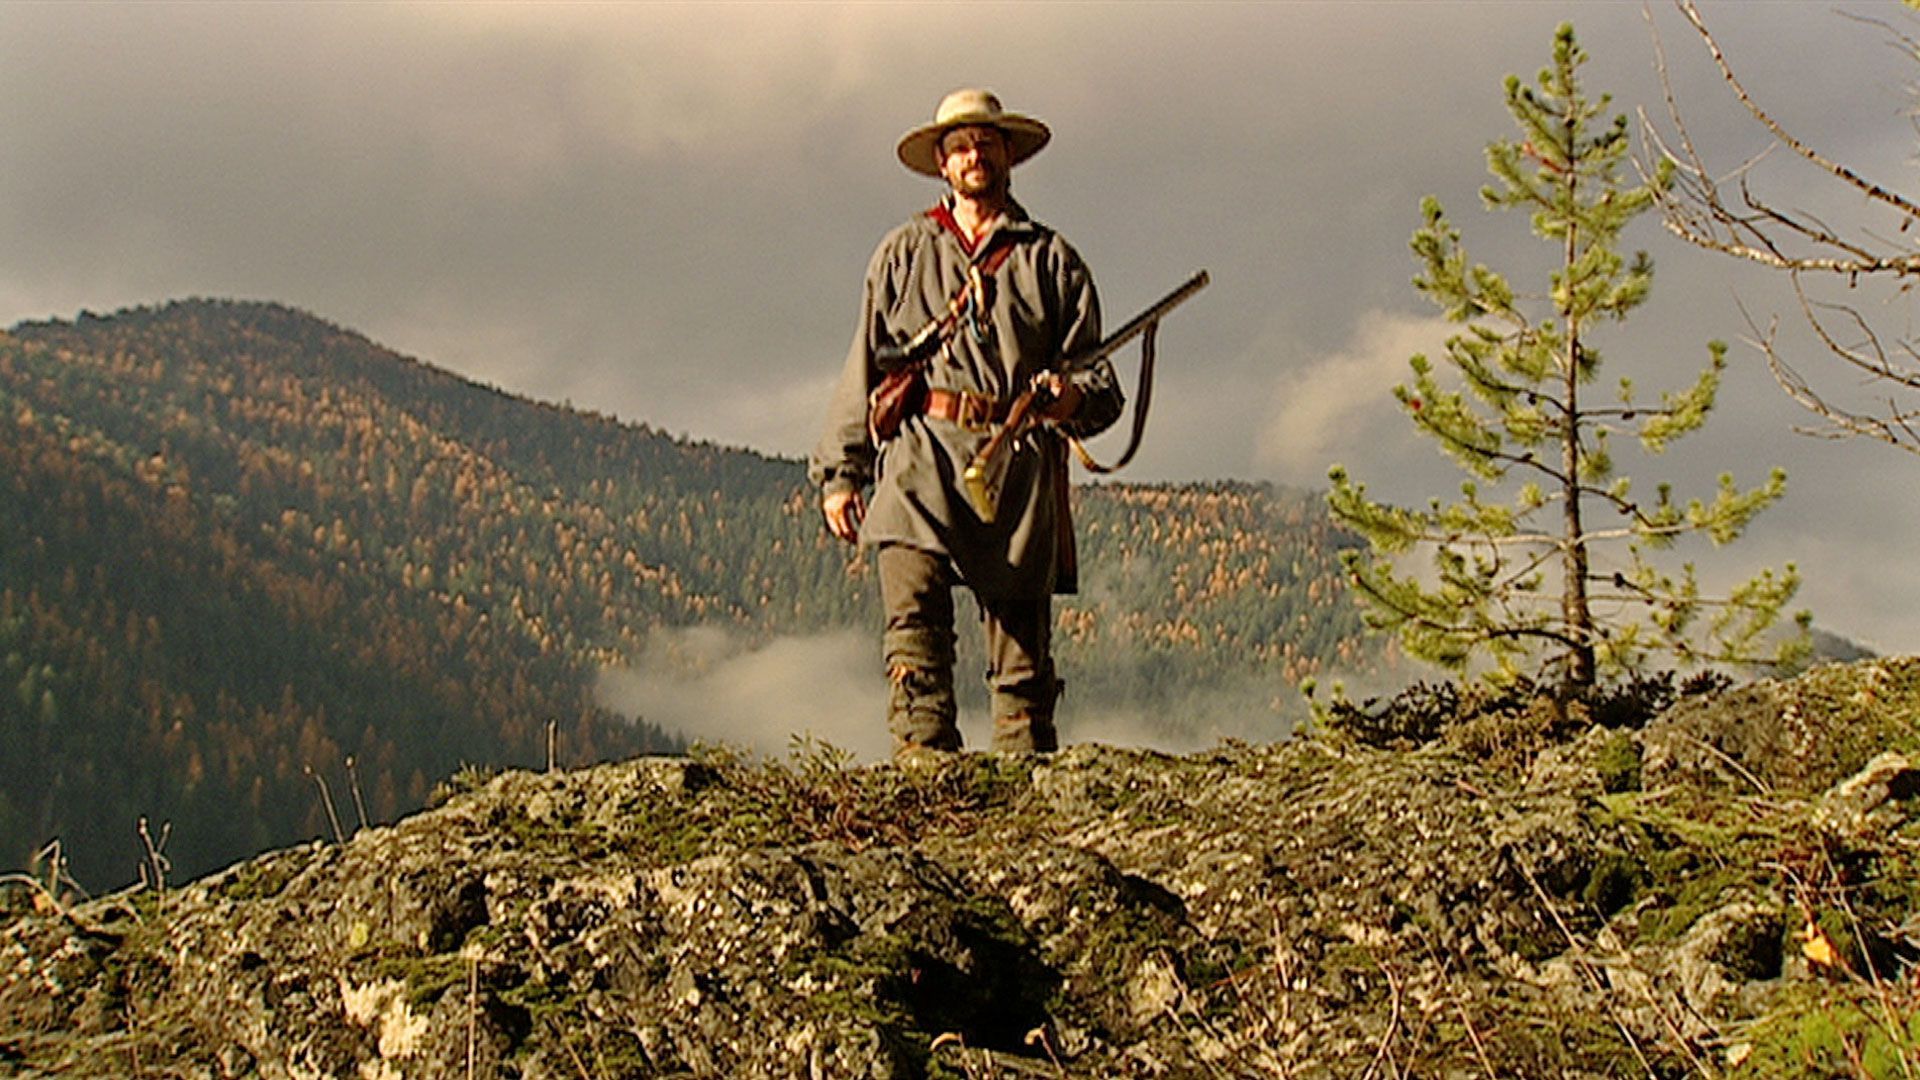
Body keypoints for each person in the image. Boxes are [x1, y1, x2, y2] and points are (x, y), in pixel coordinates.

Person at [808, 88, 1123, 756]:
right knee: (913, 636)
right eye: (959, 146)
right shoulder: (902, 253)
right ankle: (924, 780)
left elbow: (1101, 388)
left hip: (1017, 467)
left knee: (1023, 671)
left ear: (1008, 154)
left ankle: (1023, 802)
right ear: (942, 165)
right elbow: (863, 363)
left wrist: (1065, 397)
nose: (974, 155)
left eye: (986, 142)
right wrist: (842, 474)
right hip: (921, 459)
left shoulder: (1052, 261)